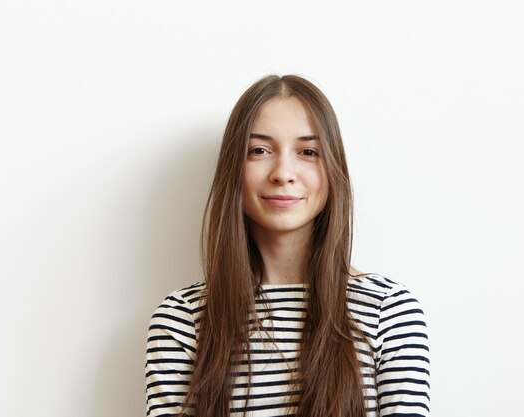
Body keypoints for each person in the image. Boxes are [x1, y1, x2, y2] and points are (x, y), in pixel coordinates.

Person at [145, 75, 430, 417]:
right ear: (234, 169)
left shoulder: (389, 311)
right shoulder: (182, 319)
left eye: (308, 152)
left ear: (333, 169)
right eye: (260, 151)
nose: (283, 172)